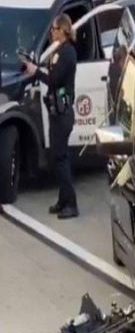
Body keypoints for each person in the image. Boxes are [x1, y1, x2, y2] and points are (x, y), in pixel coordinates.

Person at [24, 14, 79, 219]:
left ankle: (71, 202)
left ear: (63, 30)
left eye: (55, 28)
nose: (52, 32)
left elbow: (54, 80)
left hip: (62, 113)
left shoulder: (67, 53)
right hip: (56, 111)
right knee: (57, 157)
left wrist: (36, 72)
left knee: (60, 158)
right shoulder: (59, 51)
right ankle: (63, 199)